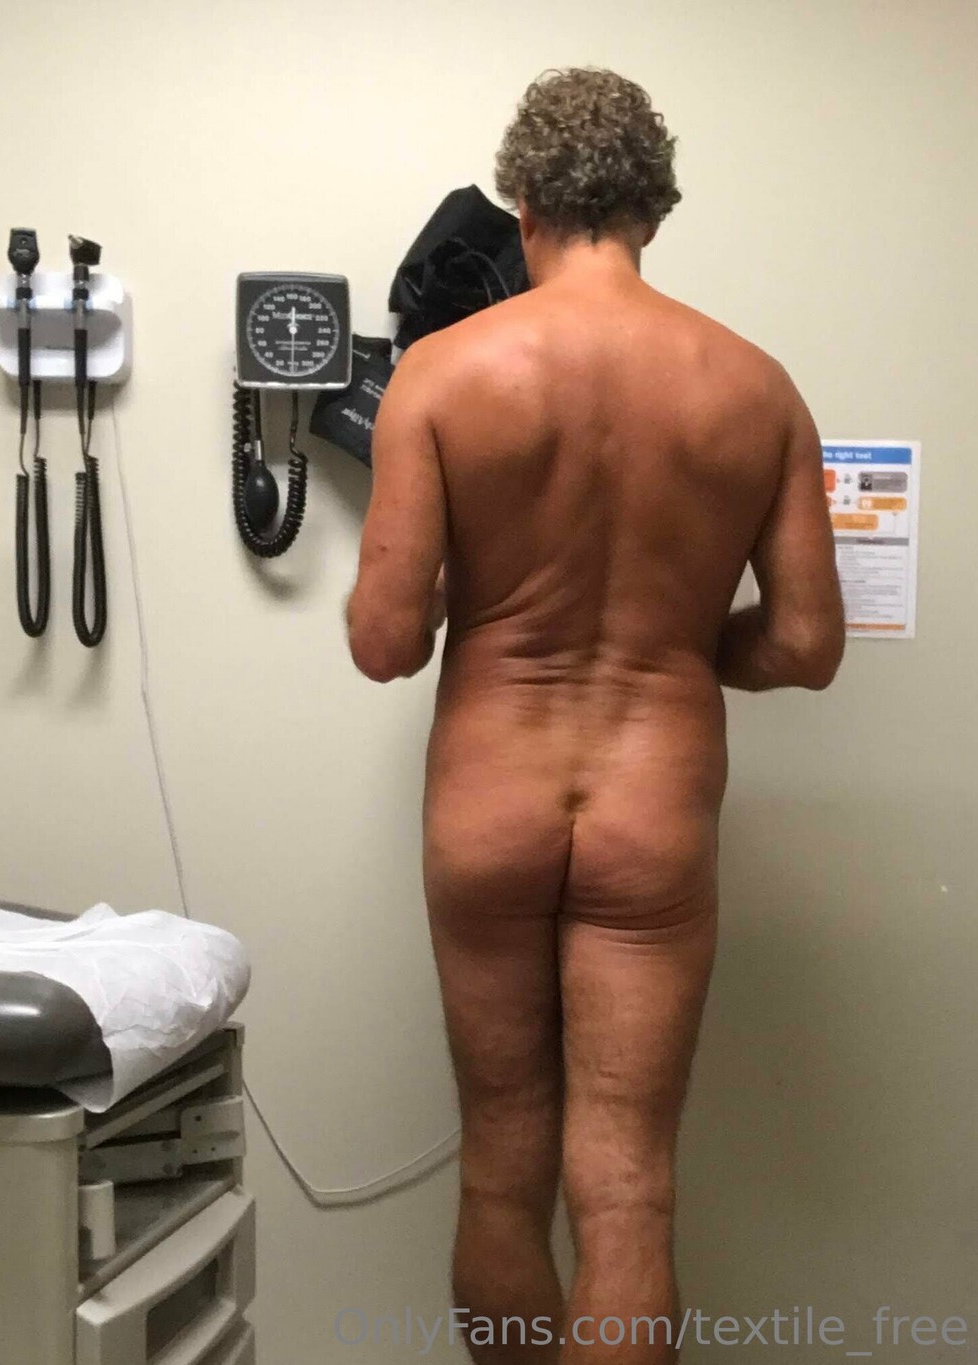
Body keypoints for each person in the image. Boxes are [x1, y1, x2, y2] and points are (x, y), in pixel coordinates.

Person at [347, 67, 844, 1364]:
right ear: (654, 212)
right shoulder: (756, 387)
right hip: (652, 799)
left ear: (523, 206)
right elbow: (805, 643)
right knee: (627, 1187)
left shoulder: (442, 376)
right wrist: (676, 646)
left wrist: (469, 597)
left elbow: (385, 642)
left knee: (502, 1169)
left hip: (490, 795)